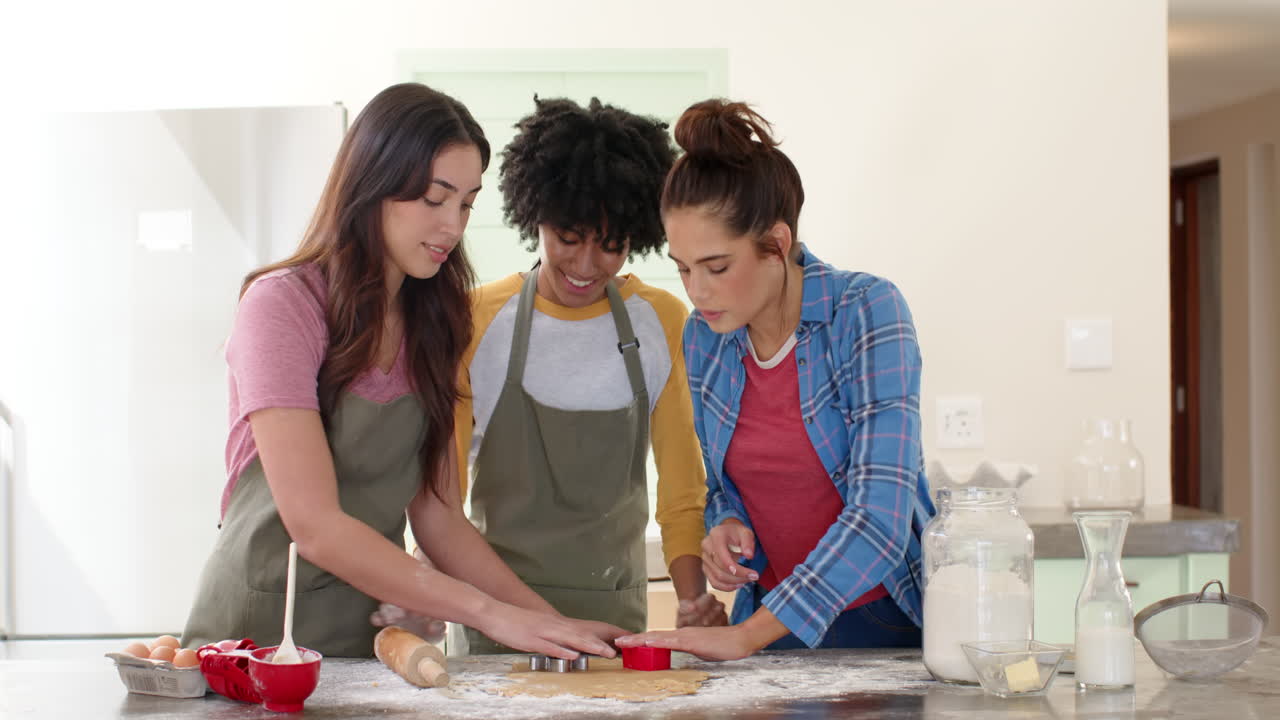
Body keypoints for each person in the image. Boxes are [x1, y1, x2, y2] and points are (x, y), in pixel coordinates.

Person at [182, 83, 622, 659]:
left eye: (466, 203)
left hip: (366, 649)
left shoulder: (437, 321)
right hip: (257, 649)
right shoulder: (282, 306)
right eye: (434, 199)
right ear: (373, 185)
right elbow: (314, 525)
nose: (453, 226)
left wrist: (549, 625)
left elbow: (438, 516)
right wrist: (491, 615)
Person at [617, 99, 935, 660]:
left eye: (716, 267)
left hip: (882, 626)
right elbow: (726, 486)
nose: (697, 290)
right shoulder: (704, 338)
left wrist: (744, 636)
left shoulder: (866, 311)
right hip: (766, 625)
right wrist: (726, 524)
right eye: (683, 267)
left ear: (777, 245)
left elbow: (881, 519)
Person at [450, 96, 726, 653]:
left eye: (612, 246)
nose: (585, 266)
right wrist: (427, 586)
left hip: (614, 619)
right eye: (568, 239)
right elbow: (443, 492)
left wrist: (694, 599)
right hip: (496, 619)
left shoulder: (664, 323)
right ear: (536, 218)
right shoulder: (476, 319)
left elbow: (681, 489)